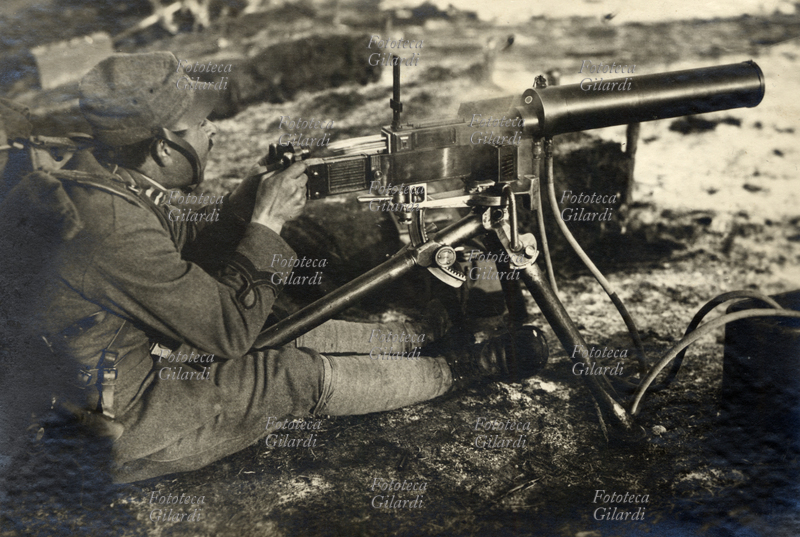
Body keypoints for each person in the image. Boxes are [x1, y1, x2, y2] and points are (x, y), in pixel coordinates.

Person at [0, 52, 547, 483]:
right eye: (201, 123)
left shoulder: (89, 176)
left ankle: (422, 336)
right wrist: (267, 224)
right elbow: (228, 332)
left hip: (100, 372)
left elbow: (175, 249)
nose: (213, 132)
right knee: (280, 371)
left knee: (268, 322)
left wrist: (247, 198)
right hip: (108, 427)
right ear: (164, 148)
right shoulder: (105, 224)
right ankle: (465, 371)